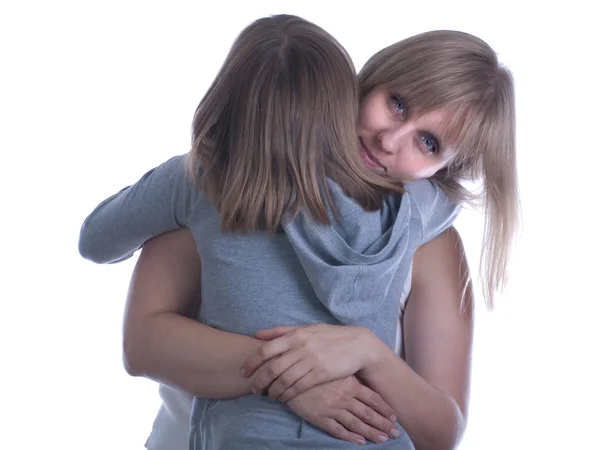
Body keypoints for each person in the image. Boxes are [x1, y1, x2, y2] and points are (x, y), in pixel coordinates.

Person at [79, 14, 517, 450]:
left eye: (428, 143)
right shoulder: (228, 180)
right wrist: (297, 380)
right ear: (366, 80)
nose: (389, 139)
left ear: (445, 169)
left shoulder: (425, 237)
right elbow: (143, 345)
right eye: (398, 103)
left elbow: (440, 433)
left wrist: (367, 351)